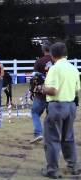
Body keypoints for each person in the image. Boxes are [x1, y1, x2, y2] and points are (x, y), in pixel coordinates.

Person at [39, 42, 80, 178]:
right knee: (68, 138)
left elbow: (53, 90)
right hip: (71, 105)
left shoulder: (55, 68)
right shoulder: (73, 68)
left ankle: (52, 170)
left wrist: (40, 88)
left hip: (57, 106)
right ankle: (73, 166)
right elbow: (77, 89)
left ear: (52, 54)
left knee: (52, 139)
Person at [30, 41, 53, 144]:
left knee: (35, 112)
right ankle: (51, 136)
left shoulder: (38, 62)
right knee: (50, 115)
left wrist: (31, 90)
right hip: (53, 93)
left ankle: (38, 133)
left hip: (41, 92)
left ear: (43, 50)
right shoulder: (56, 61)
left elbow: (34, 78)